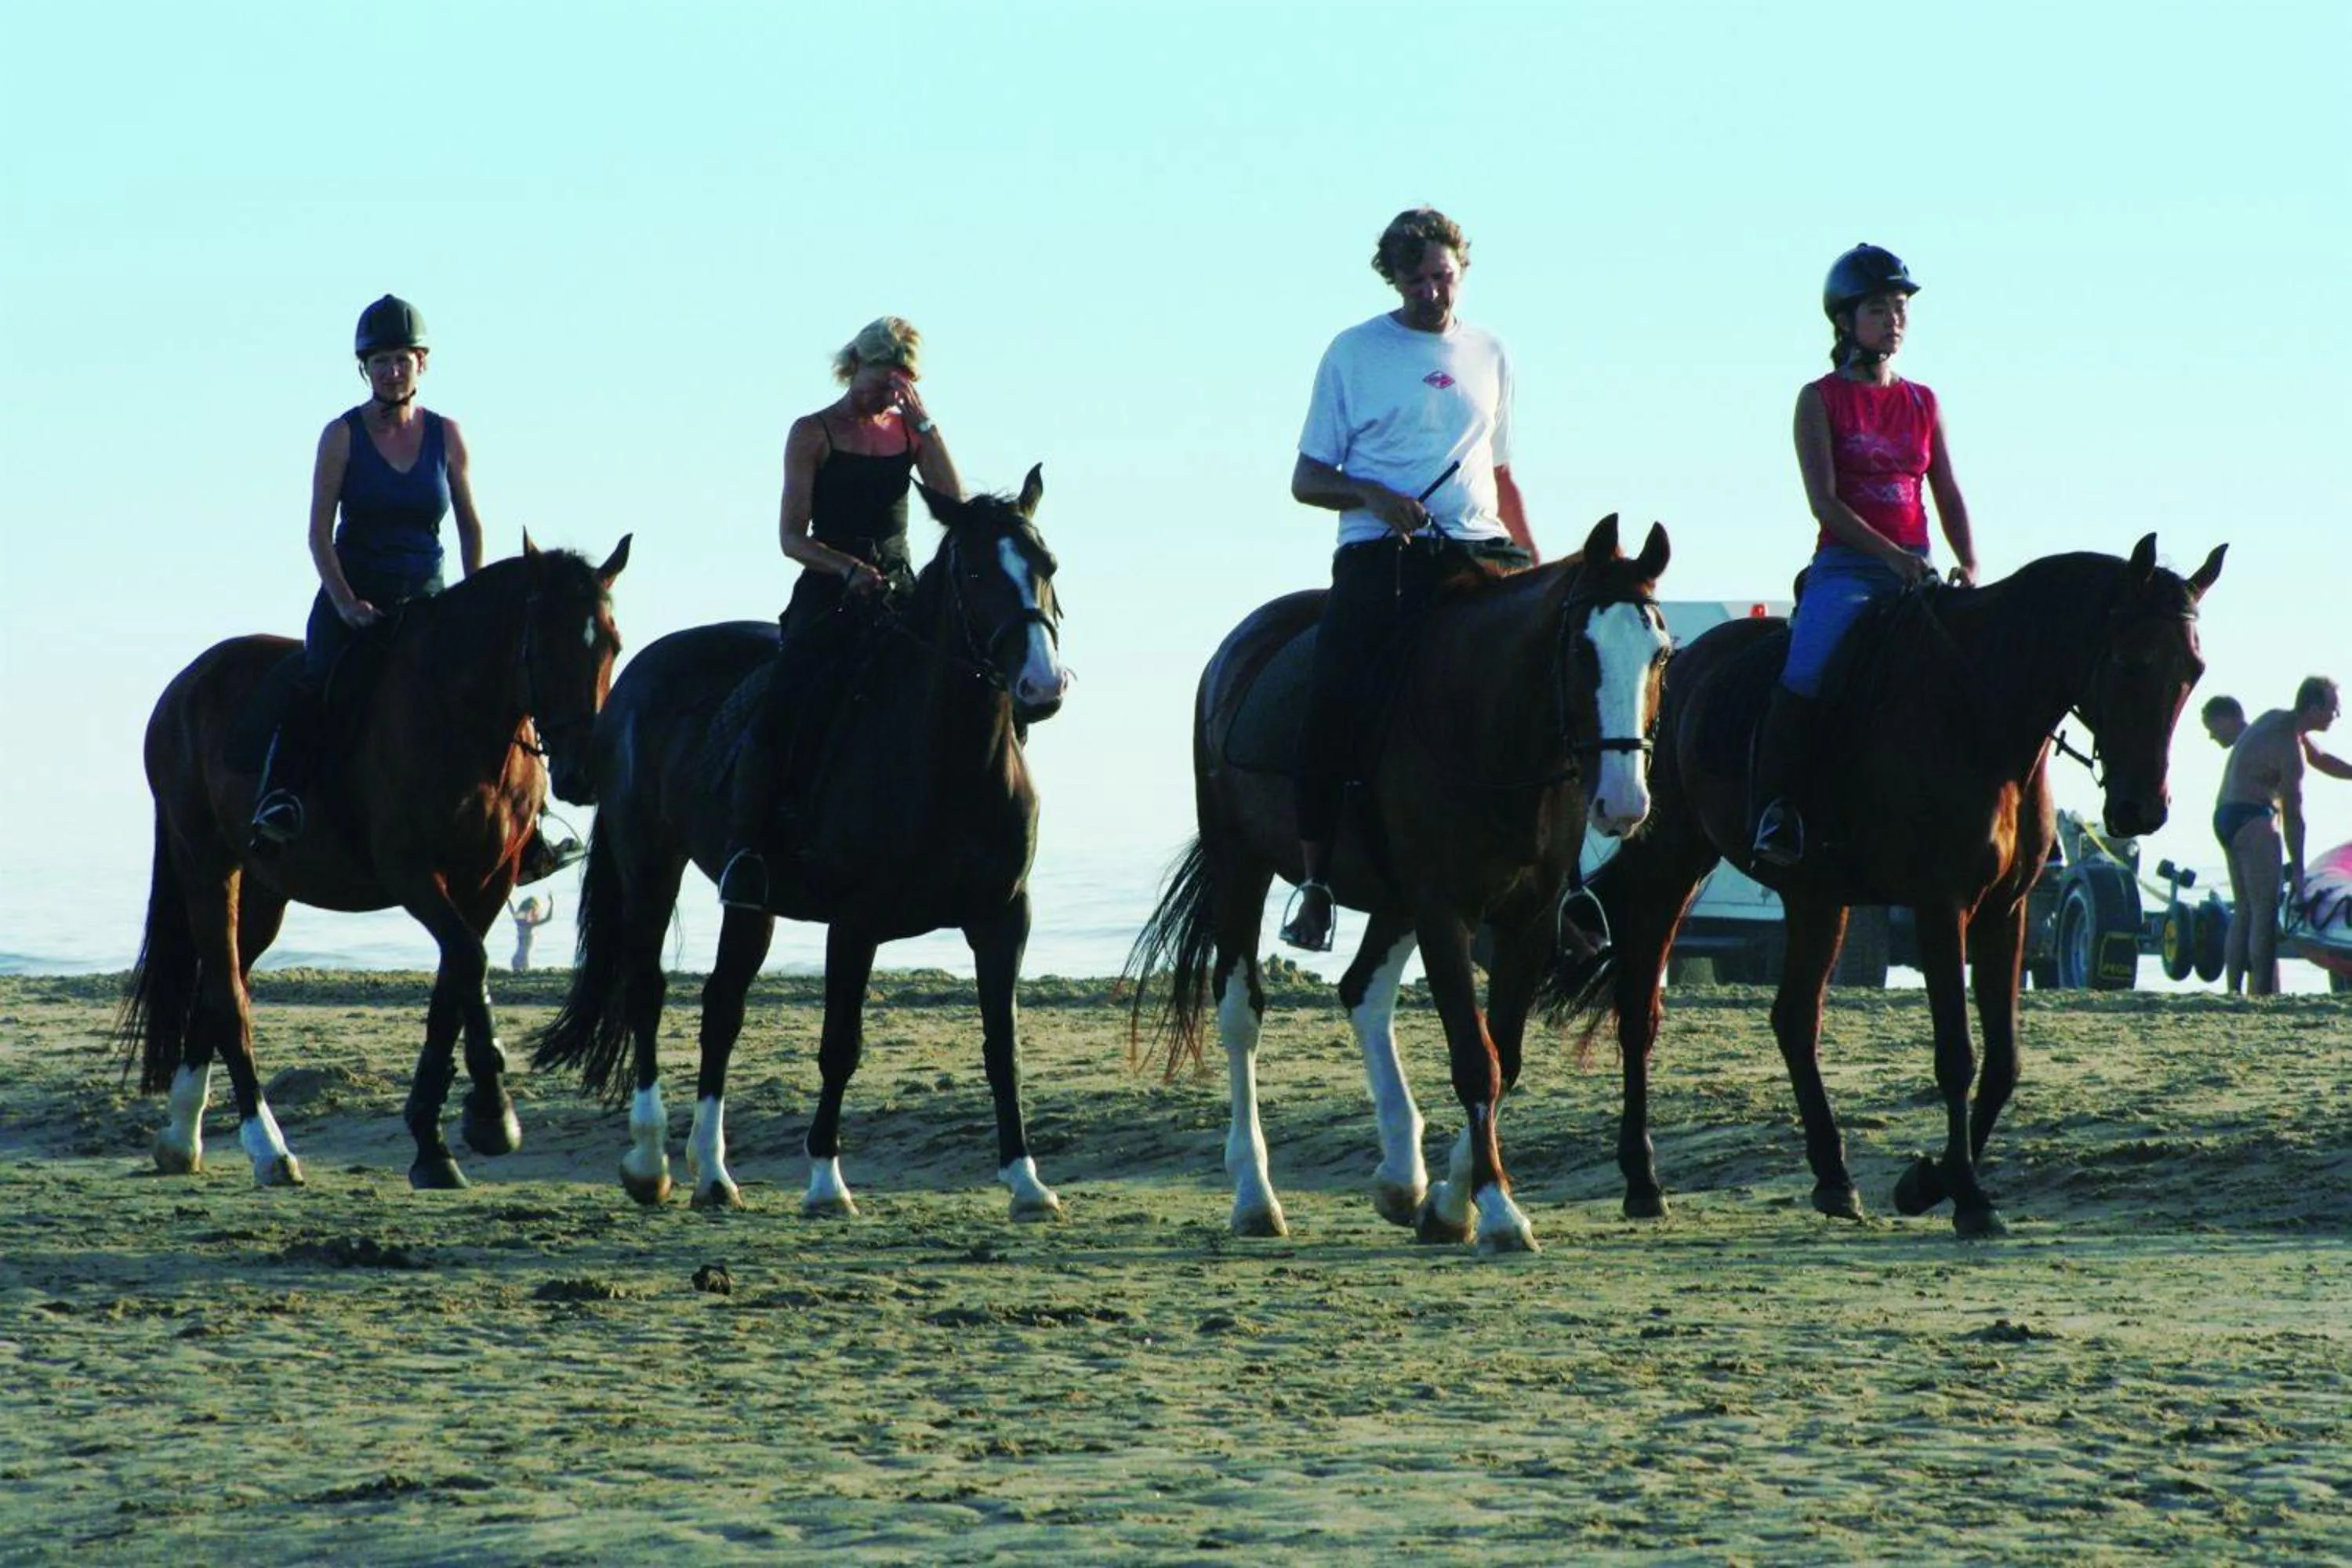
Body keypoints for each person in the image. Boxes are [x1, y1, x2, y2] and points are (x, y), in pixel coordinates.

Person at [1280, 207, 1540, 953]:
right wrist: (1370, 494)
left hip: (1480, 548)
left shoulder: (1492, 352)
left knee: (1563, 665)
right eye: (1417, 278)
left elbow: (1502, 473)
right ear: (1393, 278)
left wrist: (1537, 566)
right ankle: (1317, 880)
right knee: (1336, 694)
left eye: (1444, 276)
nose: (1433, 291)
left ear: (1463, 270)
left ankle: (1568, 883)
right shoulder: (1355, 352)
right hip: (1381, 554)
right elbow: (1306, 479)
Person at [249, 295, 579, 881]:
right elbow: (318, 533)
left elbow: (470, 524)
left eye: (401, 359)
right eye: (379, 362)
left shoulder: (447, 435)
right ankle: (283, 798)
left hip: (428, 598)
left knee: (499, 689)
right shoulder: (341, 436)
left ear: (421, 364)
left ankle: (532, 823)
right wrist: (346, 603)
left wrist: (476, 603)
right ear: (364, 370)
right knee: (318, 680)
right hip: (354, 595)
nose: (391, 371)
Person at [716, 317, 964, 910]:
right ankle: (748, 850)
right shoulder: (813, 432)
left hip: (900, 591)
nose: (890, 394)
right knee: (784, 703)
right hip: (831, 591)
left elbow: (955, 504)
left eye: (903, 383)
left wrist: (926, 426)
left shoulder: (908, 433)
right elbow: (790, 538)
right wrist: (848, 569)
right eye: (884, 380)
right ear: (858, 366)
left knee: (965, 680)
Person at [1751, 244, 1980, 868]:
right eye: (1879, 309)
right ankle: (1778, 809)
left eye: (1901, 308)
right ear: (1845, 321)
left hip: (1920, 566)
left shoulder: (1923, 401)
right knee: (1805, 671)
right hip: (1848, 570)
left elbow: (1948, 491)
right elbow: (1824, 503)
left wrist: (1970, 561)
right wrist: (1890, 557)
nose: (1895, 320)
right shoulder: (1818, 399)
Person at [2215, 676, 2347, 994]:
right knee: (2264, 911)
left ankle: (2233, 990)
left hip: (2226, 816)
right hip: (2253, 818)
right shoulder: (2290, 749)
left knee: (2244, 908)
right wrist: (2299, 873)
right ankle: (2260, 992)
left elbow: (2323, 759)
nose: (2336, 716)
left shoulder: (2276, 719)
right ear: (2314, 708)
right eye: (2333, 709)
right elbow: (2294, 817)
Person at [510, 894, 554, 973]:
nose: (529, 914)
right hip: (522, 960)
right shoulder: (528, 924)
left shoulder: (520, 921)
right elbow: (548, 918)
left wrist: (508, 899)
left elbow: (512, 909)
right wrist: (552, 903)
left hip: (518, 959)